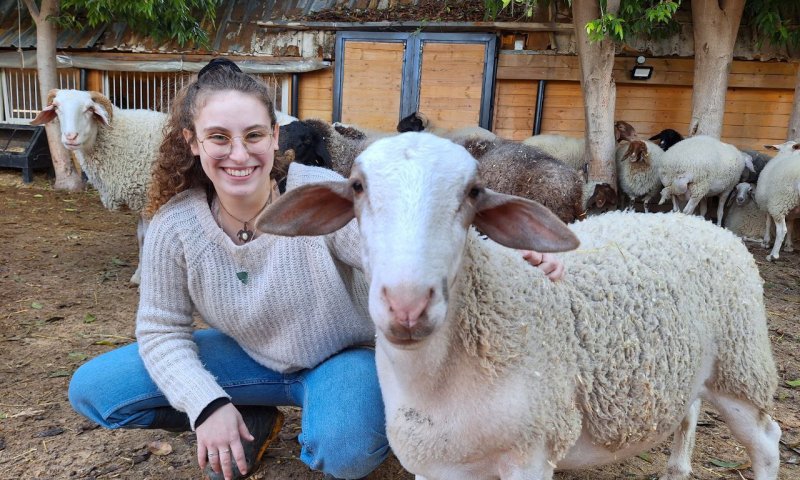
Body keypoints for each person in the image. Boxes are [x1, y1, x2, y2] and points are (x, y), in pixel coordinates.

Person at [68, 58, 565, 480]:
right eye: (218, 137)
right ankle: (247, 416)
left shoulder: (323, 193)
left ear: (275, 136)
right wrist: (207, 405)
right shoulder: (172, 226)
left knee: (343, 450)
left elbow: (393, 244)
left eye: (254, 135)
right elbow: (160, 331)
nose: (239, 154)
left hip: (337, 357)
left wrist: (510, 253)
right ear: (192, 142)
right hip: (246, 360)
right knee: (97, 392)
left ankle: (340, 413)